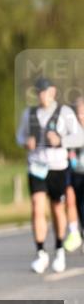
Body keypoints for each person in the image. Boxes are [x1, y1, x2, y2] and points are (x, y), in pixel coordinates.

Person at [15, 77, 84, 273]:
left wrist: (61, 140)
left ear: (53, 92)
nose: (41, 95)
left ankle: (59, 249)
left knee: (57, 208)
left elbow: (80, 136)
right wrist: (25, 142)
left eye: (45, 91)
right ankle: (40, 253)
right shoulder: (28, 114)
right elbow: (19, 136)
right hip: (36, 167)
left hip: (57, 167)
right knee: (37, 206)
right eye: (38, 92)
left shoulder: (65, 112)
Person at [65, 96, 84, 253]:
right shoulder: (70, 130)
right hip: (73, 172)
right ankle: (74, 233)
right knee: (71, 201)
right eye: (78, 113)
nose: (80, 117)